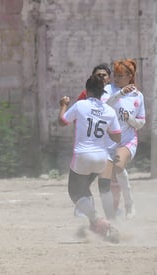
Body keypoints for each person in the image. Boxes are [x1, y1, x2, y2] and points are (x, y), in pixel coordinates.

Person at [58, 75, 121, 243]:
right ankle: (96, 225)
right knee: (84, 188)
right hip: (101, 157)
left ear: (87, 91)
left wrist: (63, 105)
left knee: (74, 192)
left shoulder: (81, 105)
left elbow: (63, 121)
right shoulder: (109, 111)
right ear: (102, 93)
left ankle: (98, 221)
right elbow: (117, 137)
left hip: (83, 156)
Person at [76, 63, 120, 220]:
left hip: (108, 148)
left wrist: (117, 148)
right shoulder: (86, 96)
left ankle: (111, 217)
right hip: (92, 147)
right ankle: (91, 215)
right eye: (98, 75)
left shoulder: (117, 92)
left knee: (105, 186)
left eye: (104, 75)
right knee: (84, 184)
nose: (101, 77)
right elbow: (79, 119)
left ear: (109, 78)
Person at [105, 59, 146, 219]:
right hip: (109, 140)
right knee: (109, 178)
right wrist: (121, 93)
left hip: (128, 140)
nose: (116, 78)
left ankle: (129, 204)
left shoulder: (138, 96)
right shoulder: (109, 89)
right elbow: (106, 105)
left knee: (119, 165)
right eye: (115, 75)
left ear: (130, 76)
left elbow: (141, 123)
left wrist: (130, 120)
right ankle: (112, 211)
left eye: (120, 76)